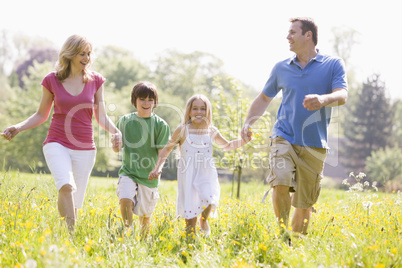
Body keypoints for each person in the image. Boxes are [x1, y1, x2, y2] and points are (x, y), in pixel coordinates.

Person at [1, 35, 121, 231]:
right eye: (82, 53)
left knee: (74, 199)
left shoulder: (96, 80)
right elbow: (41, 114)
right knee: (66, 186)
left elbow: (101, 116)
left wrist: (116, 132)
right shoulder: (52, 80)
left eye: (89, 53)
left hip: (85, 148)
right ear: (71, 54)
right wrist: (19, 127)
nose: (87, 58)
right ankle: (70, 239)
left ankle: (65, 237)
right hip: (56, 142)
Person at [241, 17, 348, 238]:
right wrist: (248, 121)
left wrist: (323, 99)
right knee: (279, 180)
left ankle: (294, 246)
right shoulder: (281, 68)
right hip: (284, 136)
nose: (287, 37)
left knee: (304, 203)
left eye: (292, 32)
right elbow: (263, 98)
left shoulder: (333, 64)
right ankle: (282, 236)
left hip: (314, 143)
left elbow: (342, 94)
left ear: (307, 35)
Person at [149, 94, 251, 237]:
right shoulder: (182, 130)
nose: (199, 112)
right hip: (188, 173)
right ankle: (190, 239)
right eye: (195, 108)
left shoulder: (212, 131)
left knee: (209, 198)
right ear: (189, 111)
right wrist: (157, 167)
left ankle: (203, 220)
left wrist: (243, 141)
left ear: (207, 111)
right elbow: (166, 149)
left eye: (202, 109)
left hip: (206, 172)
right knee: (190, 211)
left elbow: (227, 145)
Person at [112, 81, 170, 238]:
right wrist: (115, 145)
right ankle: (128, 232)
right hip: (128, 172)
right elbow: (117, 148)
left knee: (145, 217)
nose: (146, 103)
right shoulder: (124, 121)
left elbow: (162, 152)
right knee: (125, 198)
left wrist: (158, 168)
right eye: (142, 99)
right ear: (134, 100)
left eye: (150, 99)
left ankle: (144, 243)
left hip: (149, 175)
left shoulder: (160, 125)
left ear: (155, 102)